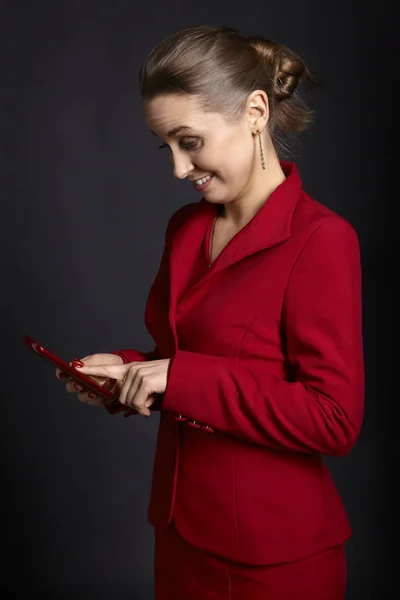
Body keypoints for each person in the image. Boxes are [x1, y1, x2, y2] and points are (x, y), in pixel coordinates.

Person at [56, 25, 364, 600]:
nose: (177, 168)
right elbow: (187, 359)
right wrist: (126, 372)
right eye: (164, 145)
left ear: (254, 111)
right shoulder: (186, 228)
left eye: (189, 141)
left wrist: (177, 376)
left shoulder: (322, 239)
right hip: (179, 536)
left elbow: (334, 418)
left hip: (273, 560)